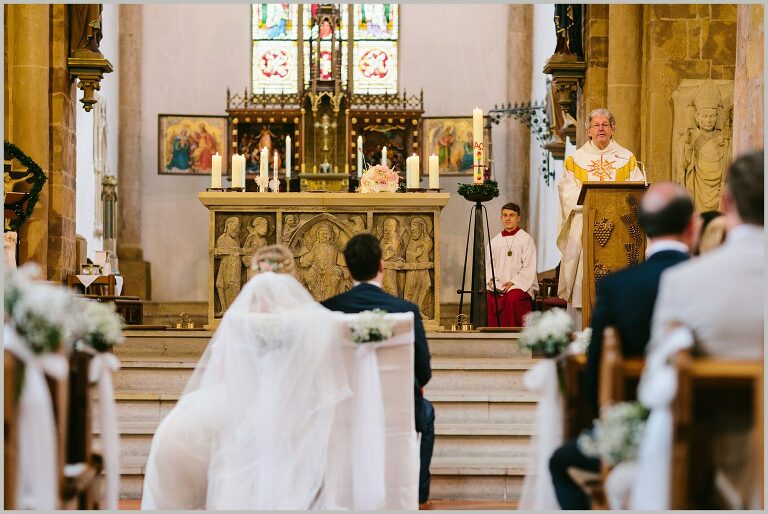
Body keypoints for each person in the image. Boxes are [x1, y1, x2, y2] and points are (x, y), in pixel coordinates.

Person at [142, 245, 352, 509]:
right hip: (294, 409)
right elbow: (320, 368)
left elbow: (221, 371)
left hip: (240, 407)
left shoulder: (238, 319)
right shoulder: (308, 320)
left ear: (253, 276)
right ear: (291, 276)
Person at [549, 181, 697, 510]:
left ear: (642, 227)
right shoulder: (709, 278)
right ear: (692, 226)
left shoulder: (619, 287)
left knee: (561, 464)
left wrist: (610, 429)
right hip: (710, 430)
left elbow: (596, 374)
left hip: (636, 433)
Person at [321, 233, 434, 507]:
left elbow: (321, 364)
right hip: (396, 406)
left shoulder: (326, 310)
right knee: (427, 414)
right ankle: (417, 494)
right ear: (382, 266)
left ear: (347, 268)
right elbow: (424, 370)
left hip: (341, 404)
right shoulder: (405, 310)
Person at [556, 108, 644, 325]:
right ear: (588, 131)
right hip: (587, 223)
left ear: (613, 129)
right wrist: (593, 201)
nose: (601, 128)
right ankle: (581, 327)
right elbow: (567, 191)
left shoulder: (627, 159)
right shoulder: (575, 160)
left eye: (605, 124)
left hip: (620, 227)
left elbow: (637, 192)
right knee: (582, 275)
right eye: (596, 125)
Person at [676, 80, 732, 212]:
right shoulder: (691, 137)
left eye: (712, 116)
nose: (708, 120)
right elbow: (683, 166)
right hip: (697, 190)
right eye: (705, 116)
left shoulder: (724, 138)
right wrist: (688, 146)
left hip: (719, 192)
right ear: (697, 116)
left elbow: (730, 165)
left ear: (717, 117)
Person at [485, 202, 538, 327]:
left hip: (520, 284)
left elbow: (529, 266)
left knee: (513, 298)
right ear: (501, 218)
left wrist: (514, 282)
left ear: (518, 218)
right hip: (498, 286)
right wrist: (495, 284)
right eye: (504, 215)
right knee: (488, 299)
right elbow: (488, 267)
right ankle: (493, 341)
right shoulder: (494, 242)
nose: (507, 218)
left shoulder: (526, 239)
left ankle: (515, 339)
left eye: (511, 215)